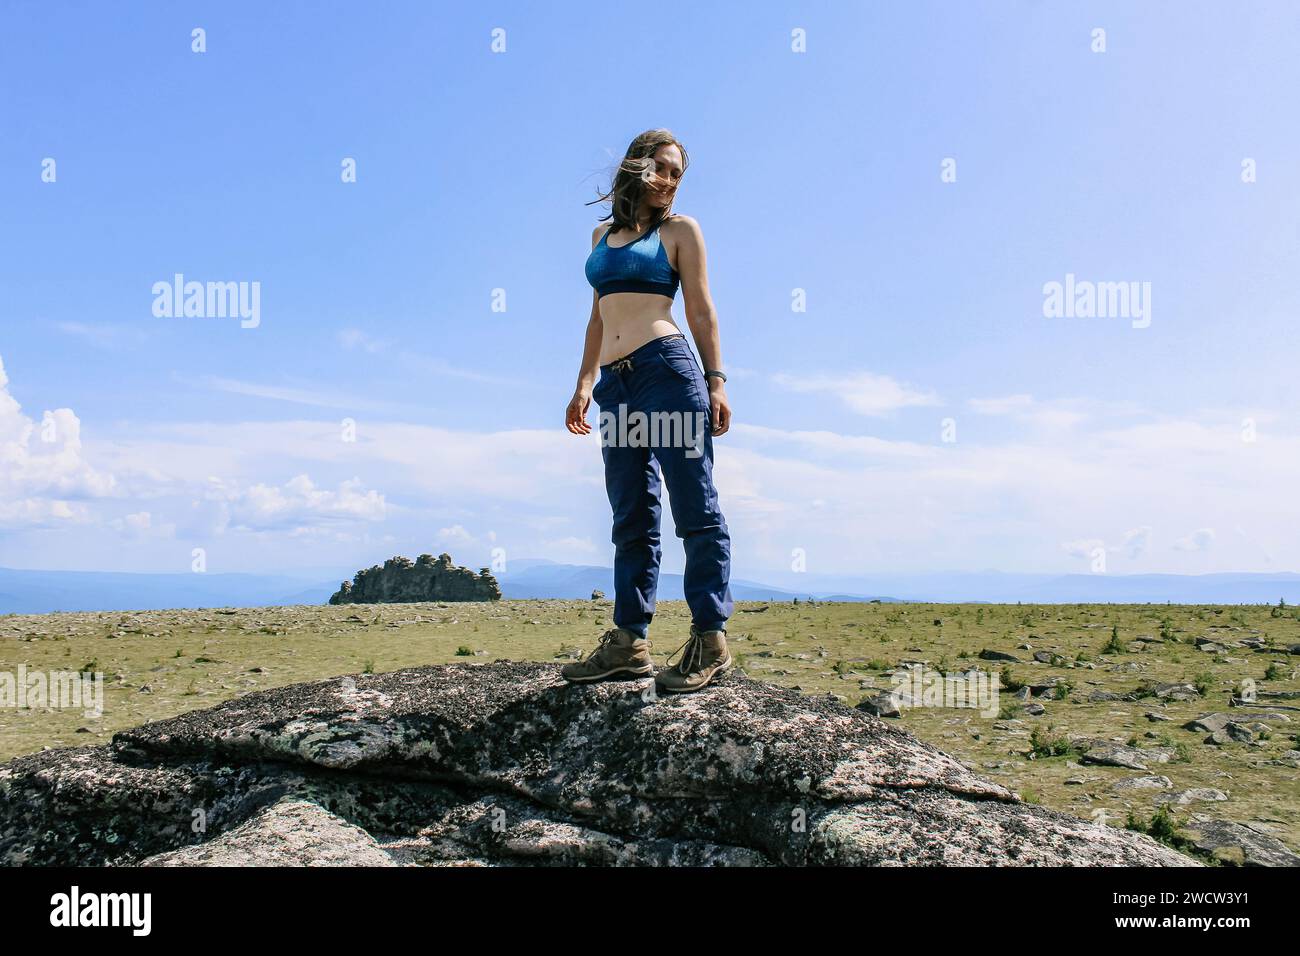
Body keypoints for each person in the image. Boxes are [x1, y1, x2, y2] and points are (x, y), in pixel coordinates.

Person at [562, 128, 734, 694]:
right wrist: (585, 383)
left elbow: (701, 310)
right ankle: (628, 642)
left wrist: (715, 381)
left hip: (667, 372)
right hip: (616, 386)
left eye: (677, 173)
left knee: (694, 507)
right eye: (661, 167)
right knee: (631, 515)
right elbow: (596, 319)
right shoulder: (601, 235)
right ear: (636, 165)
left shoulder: (681, 231)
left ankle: (710, 638)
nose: (669, 180)